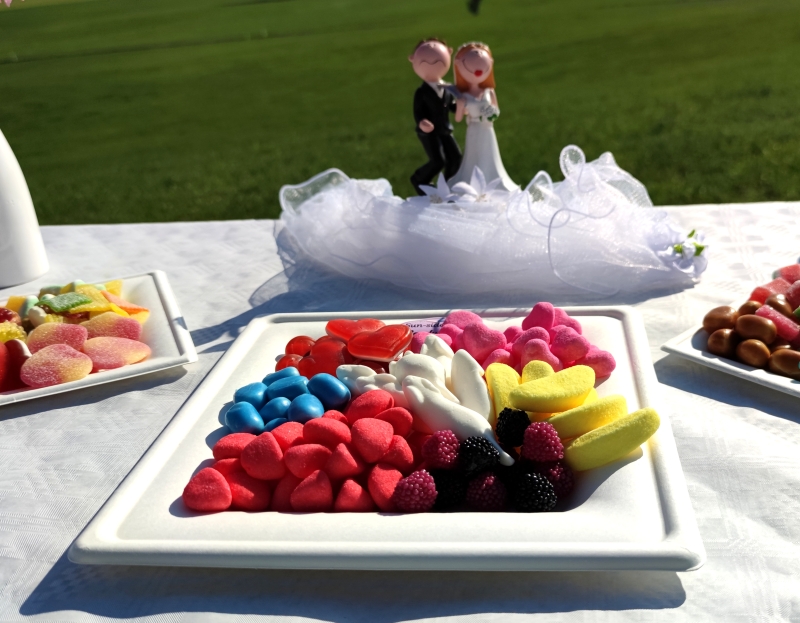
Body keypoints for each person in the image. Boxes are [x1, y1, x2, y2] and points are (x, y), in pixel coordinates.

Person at [447, 42, 517, 191]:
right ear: (458, 66)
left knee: (489, 156)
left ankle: (494, 184)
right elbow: (458, 118)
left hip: (487, 128)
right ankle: (471, 186)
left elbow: (496, 110)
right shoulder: (464, 96)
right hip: (473, 128)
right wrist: (459, 105)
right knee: (473, 157)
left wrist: (491, 113)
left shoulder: (489, 92)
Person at [408, 39, 463, 195]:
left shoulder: (447, 89)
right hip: (429, 133)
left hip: (444, 129)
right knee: (438, 161)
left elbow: (451, 107)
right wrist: (422, 122)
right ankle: (419, 179)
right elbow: (418, 112)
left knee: (455, 157)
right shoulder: (422, 92)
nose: (432, 63)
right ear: (413, 60)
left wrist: (460, 106)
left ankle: (447, 186)